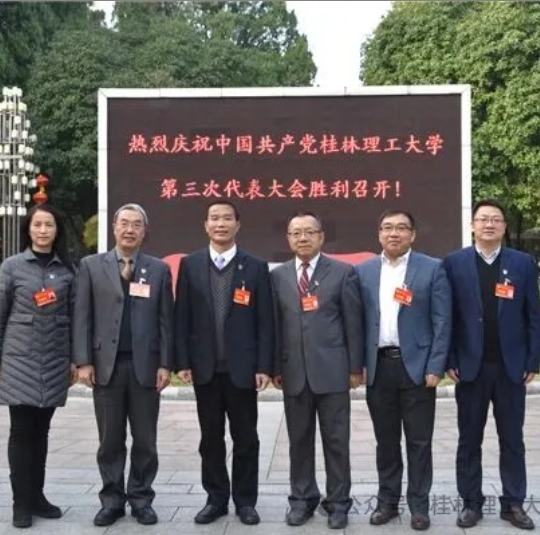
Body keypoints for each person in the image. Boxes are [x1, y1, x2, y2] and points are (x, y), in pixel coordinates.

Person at [443, 199, 540, 530]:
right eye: (483, 219)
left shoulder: (522, 263)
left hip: (510, 369)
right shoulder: (454, 263)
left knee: (512, 439)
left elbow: (533, 316)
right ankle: (471, 503)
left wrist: (532, 360)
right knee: (469, 440)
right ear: (472, 225)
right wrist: (450, 358)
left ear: (503, 226)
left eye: (496, 219)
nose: (489, 224)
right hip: (469, 368)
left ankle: (513, 504)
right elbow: (447, 317)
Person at [72, 203, 174, 527]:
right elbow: (82, 317)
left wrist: (165, 363)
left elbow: (166, 322)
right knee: (110, 441)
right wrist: (83, 362)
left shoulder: (158, 269)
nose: (130, 230)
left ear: (144, 231)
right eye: (124, 223)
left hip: (146, 368)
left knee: (145, 440)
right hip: (106, 367)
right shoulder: (91, 266)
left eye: (136, 224)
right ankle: (112, 501)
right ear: (114, 228)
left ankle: (141, 499)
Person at [174, 200, 274, 526]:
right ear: (205, 225)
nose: (220, 224)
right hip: (205, 369)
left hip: (242, 370)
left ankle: (245, 501)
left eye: (227, 218)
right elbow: (182, 316)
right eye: (214, 218)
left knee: (246, 439)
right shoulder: (190, 265)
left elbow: (265, 322)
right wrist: (182, 361)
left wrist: (264, 366)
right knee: (210, 439)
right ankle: (215, 499)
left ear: (237, 225)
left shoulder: (255, 267)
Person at [355, 210, 451, 531]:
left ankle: (419, 507)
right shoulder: (365, 271)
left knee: (419, 442)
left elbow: (442, 321)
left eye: (401, 228)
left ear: (413, 234)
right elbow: (357, 322)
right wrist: (358, 365)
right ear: (379, 233)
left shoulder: (432, 268)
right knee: (386, 441)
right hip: (378, 367)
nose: (393, 233)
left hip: (418, 368)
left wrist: (436, 365)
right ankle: (387, 502)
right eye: (387, 228)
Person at [0, 203, 76, 529]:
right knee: (22, 432)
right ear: (29, 229)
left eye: (48, 225)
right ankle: (20, 503)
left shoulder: (68, 270)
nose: (42, 230)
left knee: (42, 432)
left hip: (54, 360)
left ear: (57, 230)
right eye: (37, 225)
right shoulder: (12, 266)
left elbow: (76, 317)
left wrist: (76, 360)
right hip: (19, 359)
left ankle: (37, 497)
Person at [270, 211, 364, 529]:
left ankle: (338, 503)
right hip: (293, 372)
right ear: (288, 239)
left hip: (333, 373)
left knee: (336, 442)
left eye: (309, 232)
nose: (303, 238)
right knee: (299, 442)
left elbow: (353, 324)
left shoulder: (342, 272)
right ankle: (302, 500)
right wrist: (275, 366)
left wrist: (355, 368)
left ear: (321, 236)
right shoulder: (278, 276)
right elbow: (275, 326)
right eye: (296, 233)